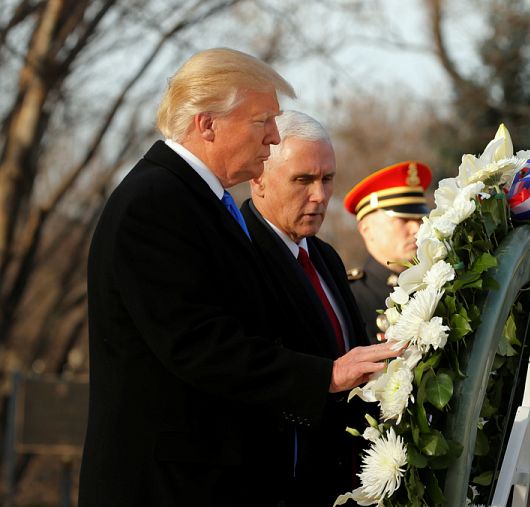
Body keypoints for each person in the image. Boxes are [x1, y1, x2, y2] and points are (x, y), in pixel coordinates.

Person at [80, 48, 399, 507]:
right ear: (207, 124)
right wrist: (325, 375)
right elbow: (197, 344)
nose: (273, 136)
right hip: (169, 486)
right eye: (262, 120)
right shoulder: (155, 203)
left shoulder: (196, 200)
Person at [239, 110, 372, 505]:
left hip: (340, 481)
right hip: (275, 485)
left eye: (326, 179)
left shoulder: (325, 257)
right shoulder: (239, 254)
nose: (319, 195)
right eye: (303, 180)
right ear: (258, 177)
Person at [343, 161, 432, 342]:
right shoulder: (349, 296)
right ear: (367, 230)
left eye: (419, 219)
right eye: (402, 220)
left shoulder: (437, 283)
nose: (416, 228)